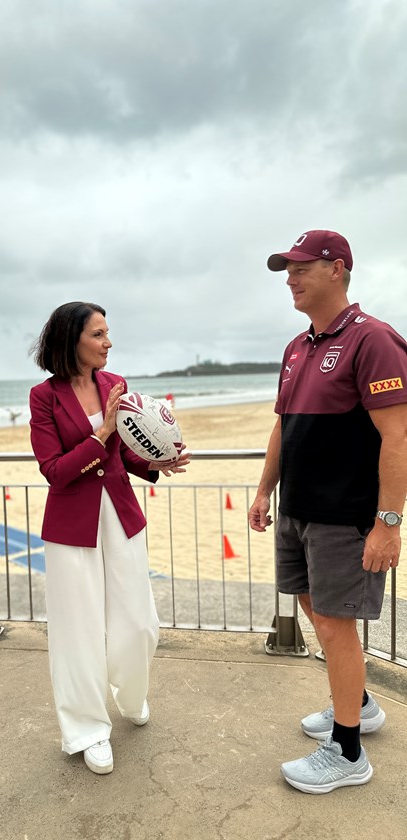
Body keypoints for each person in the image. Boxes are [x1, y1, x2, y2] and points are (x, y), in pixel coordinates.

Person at [248, 230, 407, 794]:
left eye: (300, 268)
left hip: (345, 514)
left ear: (336, 269)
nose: (290, 278)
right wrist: (266, 490)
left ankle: (348, 752)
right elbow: (282, 426)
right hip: (298, 509)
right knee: (314, 606)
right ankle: (357, 704)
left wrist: (389, 524)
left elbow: (397, 436)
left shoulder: (374, 340)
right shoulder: (298, 346)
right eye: (285, 270)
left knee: (338, 628)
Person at [29, 301, 189, 774]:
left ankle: (131, 692)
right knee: (76, 629)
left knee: (139, 620)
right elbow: (55, 471)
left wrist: (155, 463)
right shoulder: (44, 397)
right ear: (71, 339)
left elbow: (127, 451)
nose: (108, 342)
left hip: (120, 514)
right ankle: (87, 730)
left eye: (107, 332)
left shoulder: (115, 385)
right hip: (70, 524)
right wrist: (99, 433)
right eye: (98, 334)